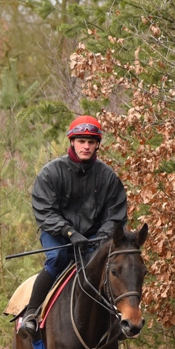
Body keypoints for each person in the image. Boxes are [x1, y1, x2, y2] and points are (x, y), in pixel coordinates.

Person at [21, 115, 128, 333]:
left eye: (90, 142)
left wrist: (101, 237)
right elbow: (45, 211)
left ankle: (117, 319)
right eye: (81, 141)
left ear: (97, 144)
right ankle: (31, 313)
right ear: (72, 142)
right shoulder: (51, 173)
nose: (86, 146)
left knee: (104, 267)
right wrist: (69, 232)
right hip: (57, 234)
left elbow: (115, 215)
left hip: (94, 237)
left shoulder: (108, 177)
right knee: (57, 258)